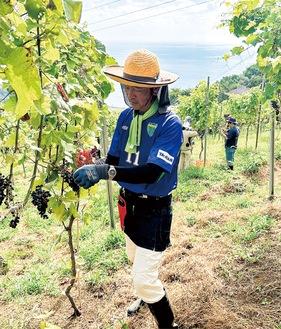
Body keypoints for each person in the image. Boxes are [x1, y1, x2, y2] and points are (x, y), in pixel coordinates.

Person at [73, 49, 183, 328]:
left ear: (156, 89)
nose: (131, 94)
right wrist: (94, 162)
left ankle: (168, 324)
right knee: (134, 258)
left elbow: (154, 171)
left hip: (154, 209)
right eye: (127, 87)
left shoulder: (169, 124)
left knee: (145, 278)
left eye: (139, 88)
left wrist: (105, 172)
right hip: (129, 204)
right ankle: (145, 298)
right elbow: (112, 160)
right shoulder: (125, 117)